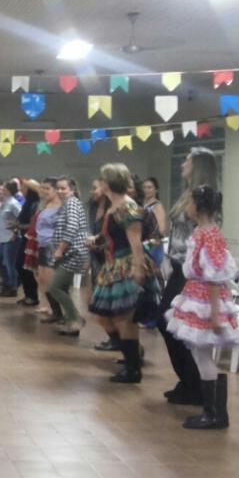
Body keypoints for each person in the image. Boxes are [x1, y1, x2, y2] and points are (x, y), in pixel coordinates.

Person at [166, 185, 239, 429]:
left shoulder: (209, 234)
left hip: (205, 300)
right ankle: (214, 412)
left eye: (190, 202)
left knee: (202, 354)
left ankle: (214, 413)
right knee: (200, 354)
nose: (187, 207)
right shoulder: (202, 232)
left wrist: (215, 314)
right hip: (197, 295)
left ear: (199, 206)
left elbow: (215, 274)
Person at [158, 147, 219, 405]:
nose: (183, 164)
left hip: (190, 271)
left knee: (174, 324)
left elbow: (205, 234)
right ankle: (187, 381)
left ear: (198, 165)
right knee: (168, 322)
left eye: (187, 160)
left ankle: (194, 385)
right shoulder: (187, 194)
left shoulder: (205, 197)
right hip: (177, 265)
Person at [89, 164, 160, 382]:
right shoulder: (114, 206)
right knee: (106, 316)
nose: (100, 184)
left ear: (108, 183)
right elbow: (110, 235)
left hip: (125, 265)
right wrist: (96, 240)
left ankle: (133, 368)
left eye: (102, 180)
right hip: (114, 265)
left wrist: (138, 268)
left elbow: (135, 242)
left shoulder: (127, 207)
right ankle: (133, 354)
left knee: (124, 318)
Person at [49, 177, 89, 336]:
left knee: (55, 287)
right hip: (68, 253)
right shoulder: (66, 204)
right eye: (58, 188)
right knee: (63, 287)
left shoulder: (72, 203)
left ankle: (76, 318)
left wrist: (60, 249)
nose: (59, 191)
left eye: (63, 188)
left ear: (71, 190)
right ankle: (71, 322)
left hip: (73, 252)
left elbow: (72, 227)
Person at [87, 179, 119, 350]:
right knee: (99, 301)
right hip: (95, 255)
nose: (92, 191)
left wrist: (98, 243)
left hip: (110, 257)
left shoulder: (114, 208)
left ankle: (120, 341)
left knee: (107, 301)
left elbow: (112, 235)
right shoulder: (93, 207)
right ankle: (114, 338)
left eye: (95, 188)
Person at [26, 178, 63, 320]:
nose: (44, 191)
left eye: (48, 188)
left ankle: (60, 312)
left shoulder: (62, 207)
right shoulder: (45, 205)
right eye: (43, 188)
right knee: (42, 279)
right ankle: (54, 310)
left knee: (51, 282)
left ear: (56, 190)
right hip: (42, 244)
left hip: (52, 245)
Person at [0, 181, 22, 296]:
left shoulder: (14, 203)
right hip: (3, 238)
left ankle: (13, 287)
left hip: (12, 238)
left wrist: (15, 232)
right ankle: (6, 282)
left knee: (10, 264)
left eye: (3, 189)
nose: (0, 191)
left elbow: (21, 219)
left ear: (8, 191)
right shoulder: (4, 202)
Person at [14, 183, 40, 306]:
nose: (21, 190)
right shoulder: (27, 203)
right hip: (24, 237)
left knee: (25, 267)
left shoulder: (35, 204)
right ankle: (28, 294)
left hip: (30, 239)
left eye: (23, 188)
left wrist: (19, 226)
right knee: (20, 265)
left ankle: (32, 296)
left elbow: (33, 224)